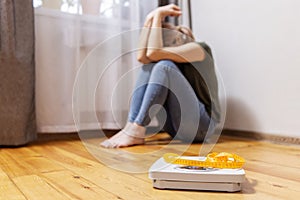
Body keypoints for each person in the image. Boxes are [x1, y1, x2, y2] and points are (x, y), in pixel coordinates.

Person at [101, 4, 220, 148]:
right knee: (150, 65)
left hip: (202, 127)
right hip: (175, 128)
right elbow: (143, 57)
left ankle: (137, 128)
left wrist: (157, 15)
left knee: (163, 65)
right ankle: (130, 126)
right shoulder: (172, 60)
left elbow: (153, 53)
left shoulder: (200, 48)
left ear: (177, 40)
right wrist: (148, 19)